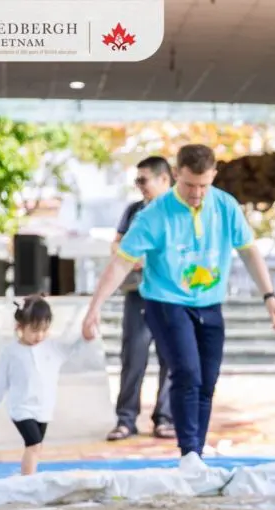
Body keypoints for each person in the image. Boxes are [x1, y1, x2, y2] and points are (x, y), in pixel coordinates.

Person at [81, 144, 275, 460]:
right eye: (190, 185)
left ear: (214, 175)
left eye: (204, 185)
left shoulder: (225, 206)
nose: (197, 193)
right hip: (166, 302)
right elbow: (121, 262)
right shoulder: (154, 214)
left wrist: (269, 296)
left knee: (207, 380)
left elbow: (248, 250)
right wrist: (94, 307)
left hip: (210, 303)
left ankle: (196, 452)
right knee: (187, 373)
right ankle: (189, 452)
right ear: (177, 174)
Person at [0, 296, 92, 475]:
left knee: (36, 448)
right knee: (33, 444)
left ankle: (27, 475)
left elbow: (73, 347)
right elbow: (1, 381)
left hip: (43, 408)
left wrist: (85, 337)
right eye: (34, 330)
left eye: (44, 330)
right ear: (20, 327)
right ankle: (28, 482)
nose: (39, 336)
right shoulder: (11, 353)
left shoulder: (52, 348)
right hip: (21, 408)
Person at [107, 156, 175, 442]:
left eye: (143, 180)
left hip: (171, 296)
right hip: (138, 294)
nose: (139, 186)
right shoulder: (134, 210)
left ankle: (166, 418)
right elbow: (117, 243)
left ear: (164, 179)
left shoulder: (178, 210)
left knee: (171, 359)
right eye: (137, 180)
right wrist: (129, 256)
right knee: (133, 357)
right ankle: (126, 419)